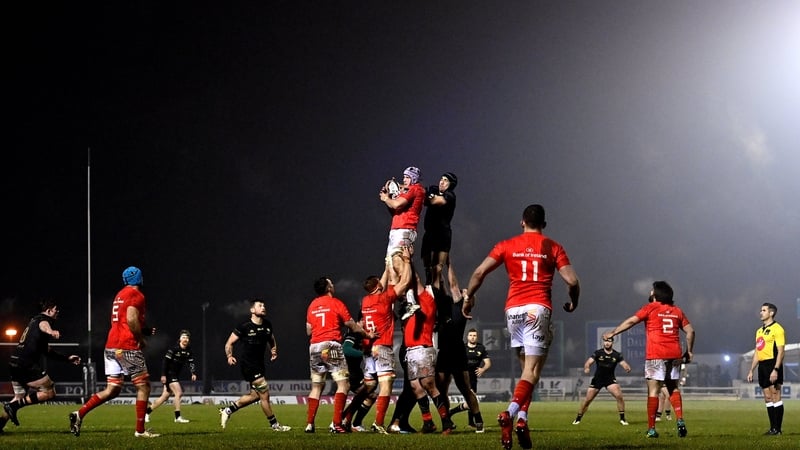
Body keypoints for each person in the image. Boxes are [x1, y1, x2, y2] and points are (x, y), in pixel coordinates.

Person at [462, 204, 580, 450]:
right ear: (544, 224)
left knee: (527, 371)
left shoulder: (506, 244)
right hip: (537, 308)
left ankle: (523, 421)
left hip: (513, 310)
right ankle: (511, 413)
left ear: (522, 222)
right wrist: (574, 301)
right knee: (533, 371)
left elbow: (479, 271)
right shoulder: (553, 246)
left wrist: (468, 298)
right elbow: (571, 280)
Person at [69, 266, 159, 438]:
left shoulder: (120, 294)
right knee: (144, 387)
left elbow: (124, 320)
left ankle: (79, 414)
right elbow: (131, 318)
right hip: (127, 346)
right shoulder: (137, 295)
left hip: (111, 346)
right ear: (140, 278)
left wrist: (144, 329)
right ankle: (140, 430)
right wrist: (140, 339)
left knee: (113, 389)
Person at [603, 280, 694, 439]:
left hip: (656, 355)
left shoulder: (650, 308)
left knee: (653, 391)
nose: (650, 292)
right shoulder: (677, 311)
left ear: (655, 294)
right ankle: (680, 420)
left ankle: (652, 429)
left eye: (652, 290)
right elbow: (690, 331)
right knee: (673, 388)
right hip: (674, 355)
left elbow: (632, 321)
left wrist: (614, 332)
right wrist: (689, 352)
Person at [304, 277, 374, 433]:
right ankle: (337, 423)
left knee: (316, 387)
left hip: (314, 347)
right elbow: (351, 325)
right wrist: (367, 335)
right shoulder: (336, 303)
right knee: (344, 384)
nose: (333, 285)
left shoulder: (312, 305)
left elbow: (309, 330)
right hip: (331, 346)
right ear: (329, 288)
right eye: (331, 283)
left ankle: (309, 424)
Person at [0, 299, 81, 432]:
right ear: (49, 311)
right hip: (25, 364)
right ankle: (13, 407)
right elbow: (44, 325)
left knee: (19, 397)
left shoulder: (34, 321)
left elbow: (47, 351)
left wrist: (67, 359)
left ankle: (1, 422)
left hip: (15, 362)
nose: (58, 312)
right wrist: (51, 331)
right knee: (49, 392)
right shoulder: (43, 320)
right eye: (56, 310)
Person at [356, 250, 412, 434]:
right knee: (386, 386)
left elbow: (379, 285)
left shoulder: (366, 301)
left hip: (369, 349)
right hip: (382, 347)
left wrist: (387, 267)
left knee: (369, 387)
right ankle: (378, 422)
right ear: (379, 285)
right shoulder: (385, 298)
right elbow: (403, 283)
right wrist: (406, 260)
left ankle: (350, 420)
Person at [219, 298, 290, 432]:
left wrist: (273, 350)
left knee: (255, 396)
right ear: (252, 310)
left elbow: (271, 339)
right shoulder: (244, 326)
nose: (263, 307)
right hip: (249, 365)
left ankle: (228, 410)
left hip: (260, 365)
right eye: (260, 305)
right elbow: (229, 343)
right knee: (265, 395)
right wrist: (229, 356)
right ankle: (275, 425)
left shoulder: (267, 325)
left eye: (264, 305)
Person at [403, 269, 455, 434]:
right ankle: (428, 423)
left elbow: (414, 278)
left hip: (423, 349)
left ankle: (446, 422)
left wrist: (407, 260)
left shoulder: (427, 300)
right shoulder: (413, 303)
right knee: (415, 387)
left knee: (429, 385)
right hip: (411, 351)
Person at [434, 268, 486, 433]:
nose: (464, 291)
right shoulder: (448, 305)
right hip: (444, 351)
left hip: (456, 351)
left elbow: (452, 283)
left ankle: (478, 420)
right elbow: (442, 285)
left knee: (464, 388)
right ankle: (447, 421)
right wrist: (438, 269)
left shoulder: (463, 308)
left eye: (466, 293)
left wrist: (448, 262)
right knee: (442, 389)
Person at [379, 166, 425, 319]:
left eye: (406, 177)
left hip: (404, 230)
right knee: (391, 267)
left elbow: (397, 204)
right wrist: (390, 196)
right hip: (398, 230)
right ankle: (394, 304)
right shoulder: (410, 190)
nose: (404, 180)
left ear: (412, 178)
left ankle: (410, 301)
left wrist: (388, 198)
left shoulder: (415, 189)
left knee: (401, 266)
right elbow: (395, 210)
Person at [571, 336, 632, 425]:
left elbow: (624, 364)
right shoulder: (598, 353)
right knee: (587, 400)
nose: (607, 343)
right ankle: (578, 418)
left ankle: (622, 419)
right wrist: (587, 368)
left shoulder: (617, 355)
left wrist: (627, 368)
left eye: (609, 341)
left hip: (610, 379)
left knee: (619, 396)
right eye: (605, 341)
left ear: (612, 343)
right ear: (603, 342)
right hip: (597, 379)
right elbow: (588, 362)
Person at [746, 302, 785, 436]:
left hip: (773, 364)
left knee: (775, 396)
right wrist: (751, 369)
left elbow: (781, 351)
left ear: (771, 313)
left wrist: (776, 369)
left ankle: (777, 429)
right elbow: (757, 351)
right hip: (762, 365)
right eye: (761, 310)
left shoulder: (778, 329)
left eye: (764, 310)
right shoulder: (759, 331)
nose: (761, 312)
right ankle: (772, 428)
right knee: (767, 398)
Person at [145, 330, 197, 424]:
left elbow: (191, 362)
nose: (185, 339)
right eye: (183, 337)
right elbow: (165, 362)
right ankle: (177, 417)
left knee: (164, 397)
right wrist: (163, 375)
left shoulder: (189, 351)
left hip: (175, 375)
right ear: (180, 339)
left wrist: (193, 373)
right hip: (169, 374)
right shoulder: (173, 349)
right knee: (179, 392)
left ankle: (147, 413)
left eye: (187, 338)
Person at [421, 172, 458, 290]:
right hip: (429, 233)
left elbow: (435, 201)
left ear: (451, 184)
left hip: (442, 235)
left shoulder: (450, 196)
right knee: (427, 266)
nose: (441, 182)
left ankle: (436, 295)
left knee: (437, 268)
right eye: (441, 179)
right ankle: (429, 288)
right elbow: (423, 195)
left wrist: (429, 195)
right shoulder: (433, 188)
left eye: (445, 180)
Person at [449, 327, 491, 428]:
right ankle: (473, 421)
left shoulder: (481, 348)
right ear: (467, 337)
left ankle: (468, 421)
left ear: (477, 337)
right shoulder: (462, 348)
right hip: (463, 377)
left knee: (470, 401)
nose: (472, 337)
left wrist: (483, 369)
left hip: (473, 378)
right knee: (471, 400)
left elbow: (488, 363)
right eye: (471, 335)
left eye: (474, 335)